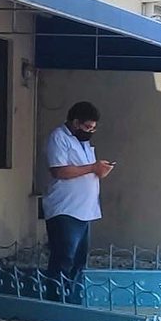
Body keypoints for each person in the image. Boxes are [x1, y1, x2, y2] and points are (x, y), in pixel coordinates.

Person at [41, 102, 114, 304]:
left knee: (79, 261)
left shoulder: (82, 142)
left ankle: (72, 300)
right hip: (65, 209)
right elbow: (59, 170)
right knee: (64, 258)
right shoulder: (59, 137)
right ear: (75, 122)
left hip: (85, 210)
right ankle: (56, 301)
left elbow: (87, 170)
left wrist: (99, 170)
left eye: (93, 128)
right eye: (87, 127)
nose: (90, 132)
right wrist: (92, 168)